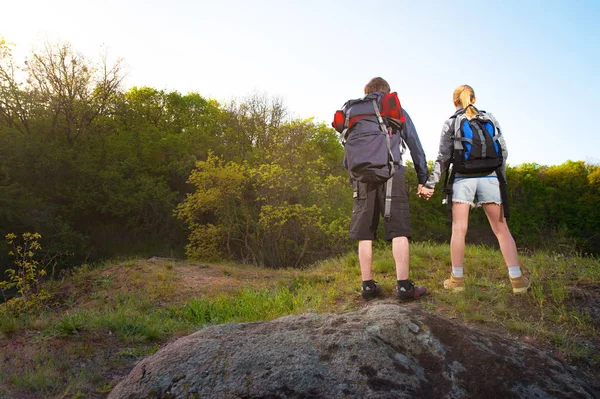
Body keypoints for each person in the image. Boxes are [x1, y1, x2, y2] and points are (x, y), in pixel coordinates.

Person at [420, 84, 529, 294]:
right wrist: (501, 181)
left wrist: (430, 184)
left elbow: (443, 158)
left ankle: (457, 280)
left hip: (462, 179)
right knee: (501, 229)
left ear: (455, 103)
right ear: (474, 99)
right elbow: (503, 152)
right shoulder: (490, 119)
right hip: (490, 177)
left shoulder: (451, 122)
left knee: (459, 229)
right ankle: (518, 281)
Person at [346, 77, 429, 301]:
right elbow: (414, 144)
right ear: (386, 91)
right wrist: (424, 178)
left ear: (366, 92)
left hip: (362, 176)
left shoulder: (354, 112)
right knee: (399, 230)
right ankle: (404, 287)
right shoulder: (394, 108)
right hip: (392, 171)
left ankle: (367, 286)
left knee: (365, 233)